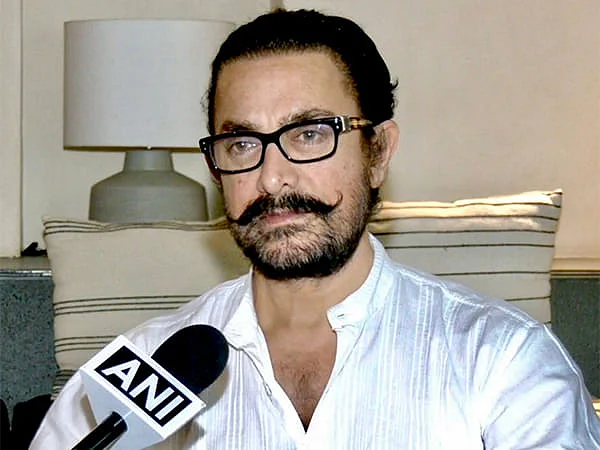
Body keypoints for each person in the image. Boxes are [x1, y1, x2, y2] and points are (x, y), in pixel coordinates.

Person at [31, 8, 599, 449]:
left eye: (309, 134)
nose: (271, 176)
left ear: (378, 152)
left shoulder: (502, 360)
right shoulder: (144, 367)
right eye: (242, 143)